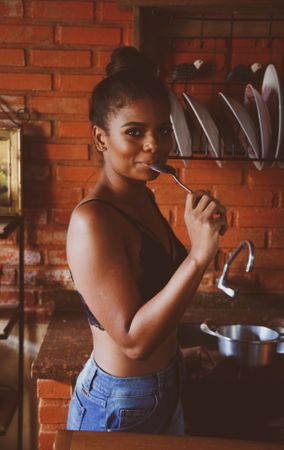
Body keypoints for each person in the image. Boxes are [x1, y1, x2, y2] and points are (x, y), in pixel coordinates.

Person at [66, 46, 227, 435]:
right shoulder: (93, 221)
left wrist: (175, 355)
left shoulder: (144, 197)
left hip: (164, 385)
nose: (154, 144)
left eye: (164, 129)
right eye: (135, 132)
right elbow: (134, 343)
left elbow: (148, 302)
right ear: (101, 139)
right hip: (120, 405)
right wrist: (199, 256)